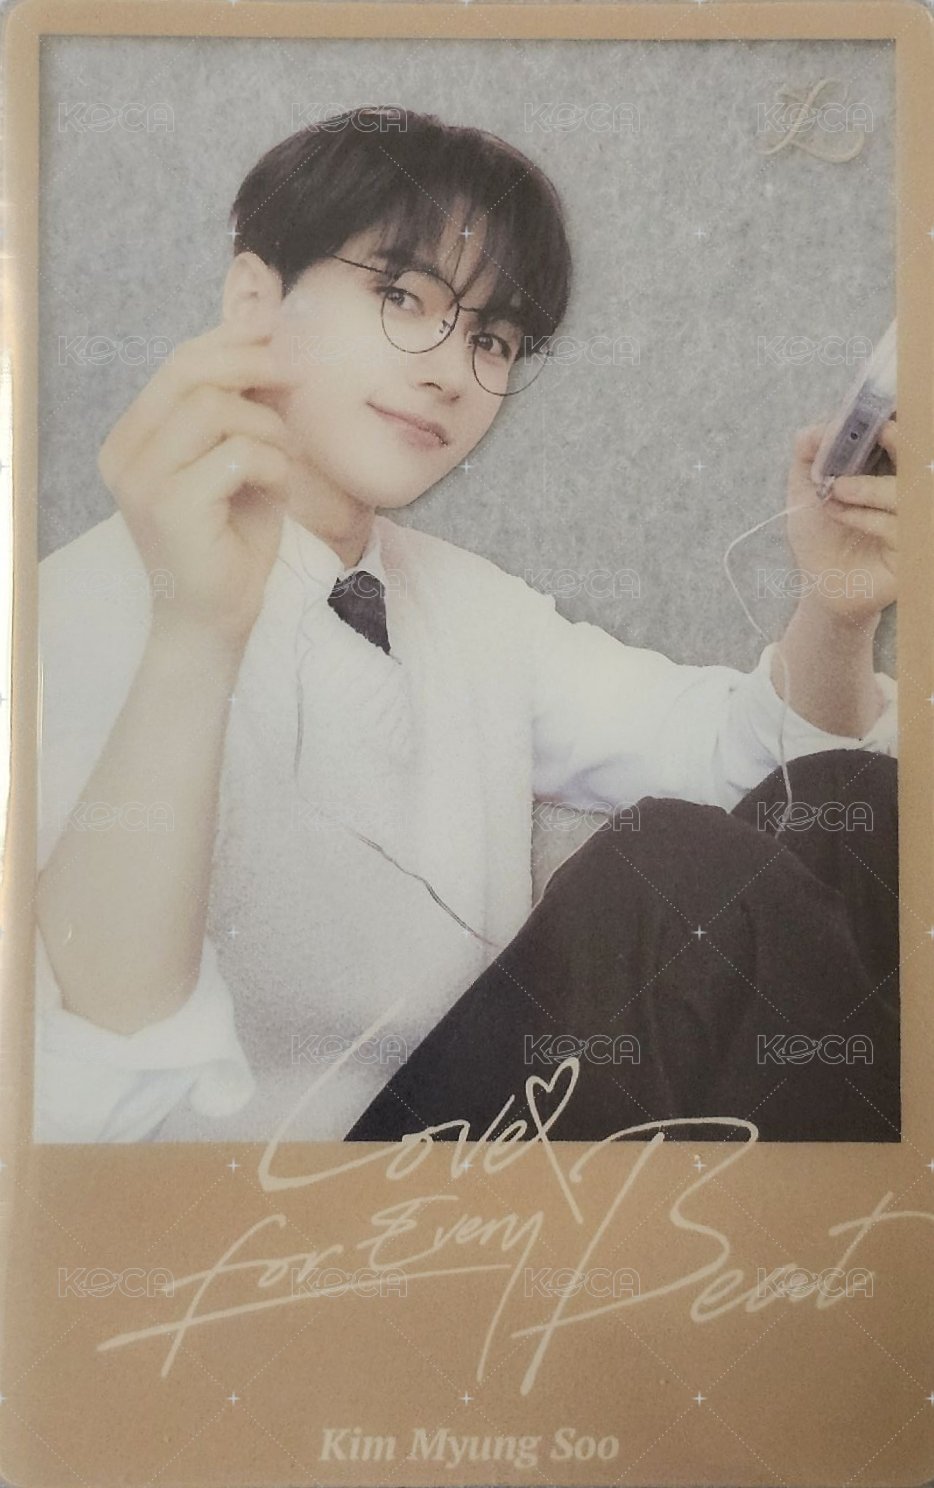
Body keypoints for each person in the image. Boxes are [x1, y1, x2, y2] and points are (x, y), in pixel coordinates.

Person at [33, 106, 898, 1145]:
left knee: (856, 807)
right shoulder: (65, 617)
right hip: (268, 1217)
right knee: (670, 876)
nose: (450, 373)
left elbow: (752, 770)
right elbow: (89, 1091)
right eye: (402, 296)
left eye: (490, 337)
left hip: (490, 1151)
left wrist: (837, 605)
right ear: (255, 300)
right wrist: (194, 635)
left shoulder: (462, 602)